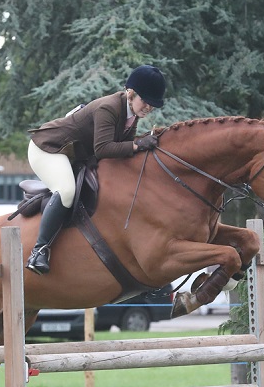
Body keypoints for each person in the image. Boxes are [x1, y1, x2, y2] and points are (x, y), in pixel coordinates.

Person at [24, 64, 166, 275]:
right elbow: (103, 149)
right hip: (48, 149)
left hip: (73, 152)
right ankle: (39, 251)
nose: (148, 108)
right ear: (131, 93)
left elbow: (121, 144)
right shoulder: (108, 108)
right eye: (145, 101)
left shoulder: (131, 113)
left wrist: (141, 141)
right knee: (66, 190)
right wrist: (137, 145)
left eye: (152, 105)